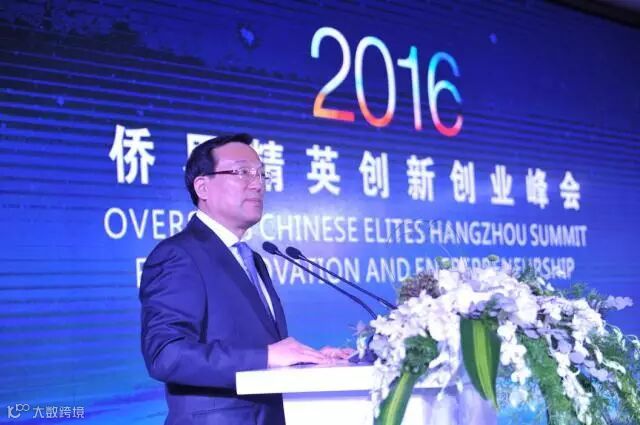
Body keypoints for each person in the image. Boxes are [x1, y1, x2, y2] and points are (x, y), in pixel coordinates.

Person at [139, 133, 351, 425]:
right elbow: (166, 355)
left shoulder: (251, 257)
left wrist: (308, 359)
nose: (257, 184)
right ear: (202, 187)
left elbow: (258, 348)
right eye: (242, 172)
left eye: (261, 174)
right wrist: (266, 356)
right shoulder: (179, 254)